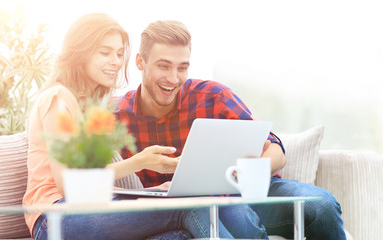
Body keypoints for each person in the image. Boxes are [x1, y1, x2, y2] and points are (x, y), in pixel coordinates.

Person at [115, 20, 347, 239]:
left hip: (249, 193)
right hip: (196, 208)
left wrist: (252, 171)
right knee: (235, 215)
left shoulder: (212, 96)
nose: (173, 78)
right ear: (140, 62)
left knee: (322, 205)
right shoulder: (119, 119)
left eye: (182, 68)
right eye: (163, 66)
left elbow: (276, 149)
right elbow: (98, 184)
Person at [23, 13, 245, 240]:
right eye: (105, 52)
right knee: (190, 206)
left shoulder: (91, 110)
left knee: (179, 236)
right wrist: (140, 161)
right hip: (55, 218)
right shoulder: (58, 98)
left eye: (119, 54)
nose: (116, 61)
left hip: (88, 207)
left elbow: (94, 185)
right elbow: (69, 182)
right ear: (80, 53)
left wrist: (152, 192)